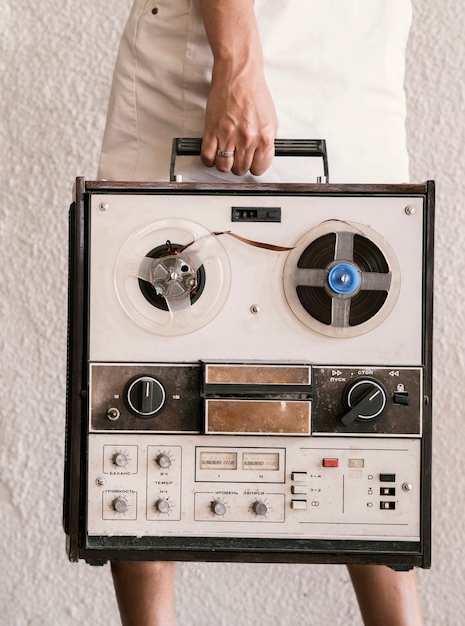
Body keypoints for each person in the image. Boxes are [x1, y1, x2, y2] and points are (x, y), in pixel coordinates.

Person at [98, 1, 424, 624]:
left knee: (368, 384)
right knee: (145, 373)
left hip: (354, 69)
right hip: (212, 68)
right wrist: (237, 63)